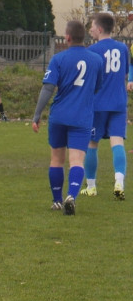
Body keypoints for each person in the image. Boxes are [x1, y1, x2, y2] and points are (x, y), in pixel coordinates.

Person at [32, 20, 104, 215]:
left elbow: (48, 88)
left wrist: (37, 115)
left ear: (68, 37)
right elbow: (97, 86)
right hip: (82, 117)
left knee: (56, 159)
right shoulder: (97, 60)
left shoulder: (58, 59)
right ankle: (71, 195)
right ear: (85, 37)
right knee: (76, 161)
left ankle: (57, 200)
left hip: (59, 115)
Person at [80, 12, 131, 200]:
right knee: (117, 142)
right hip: (118, 102)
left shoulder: (92, 51)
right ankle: (119, 181)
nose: (91, 29)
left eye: (92, 26)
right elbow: (124, 73)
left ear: (100, 29)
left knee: (92, 143)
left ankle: (91, 186)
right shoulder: (123, 48)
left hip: (98, 104)